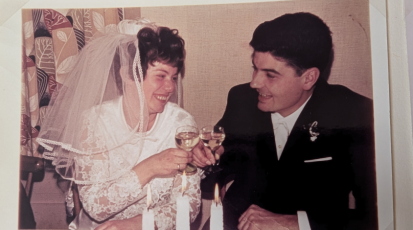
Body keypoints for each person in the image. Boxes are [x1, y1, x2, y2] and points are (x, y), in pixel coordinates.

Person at [192, 12, 377, 230]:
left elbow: (380, 214)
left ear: (308, 78)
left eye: (270, 75)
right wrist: (202, 160)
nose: (254, 83)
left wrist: (299, 223)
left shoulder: (355, 114)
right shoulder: (242, 100)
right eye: (255, 68)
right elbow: (214, 172)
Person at [37, 19, 201, 230]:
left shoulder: (182, 123)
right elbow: (95, 206)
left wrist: (135, 224)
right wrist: (151, 166)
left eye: (174, 77)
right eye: (160, 76)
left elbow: (189, 205)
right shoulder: (95, 122)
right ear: (127, 75)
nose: (170, 87)